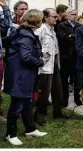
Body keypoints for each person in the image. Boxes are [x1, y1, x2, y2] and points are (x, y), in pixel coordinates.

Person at [3, 9, 47, 146]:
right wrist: (41, 61)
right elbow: (26, 56)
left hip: (23, 74)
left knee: (27, 104)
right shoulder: (26, 35)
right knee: (16, 106)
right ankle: (10, 134)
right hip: (20, 76)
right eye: (41, 19)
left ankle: (30, 128)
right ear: (37, 21)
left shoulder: (22, 31)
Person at [34, 8, 70, 126]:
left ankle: (58, 112)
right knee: (44, 93)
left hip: (54, 63)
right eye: (54, 17)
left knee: (57, 90)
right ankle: (39, 116)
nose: (57, 18)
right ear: (46, 18)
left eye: (56, 17)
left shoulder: (53, 30)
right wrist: (41, 61)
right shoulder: (40, 30)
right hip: (44, 66)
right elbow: (36, 48)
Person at [56, 8, 82, 106]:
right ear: (67, 15)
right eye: (72, 14)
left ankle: (77, 98)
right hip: (65, 57)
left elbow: (80, 39)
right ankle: (64, 99)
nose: (74, 16)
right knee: (64, 79)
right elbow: (62, 38)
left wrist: (70, 36)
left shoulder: (79, 26)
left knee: (76, 79)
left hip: (76, 56)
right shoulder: (62, 25)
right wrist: (72, 36)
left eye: (75, 14)